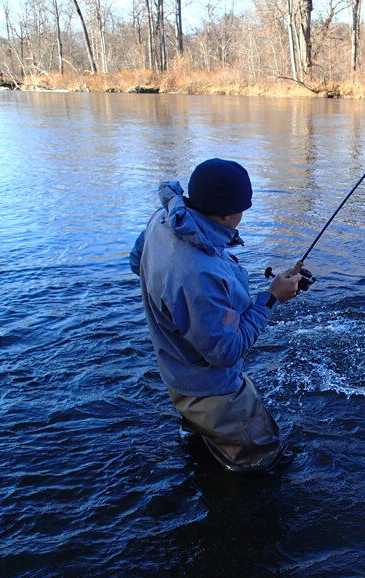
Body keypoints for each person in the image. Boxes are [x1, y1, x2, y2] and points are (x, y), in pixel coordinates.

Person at [129, 158, 302, 472]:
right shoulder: (199, 271)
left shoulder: (163, 221)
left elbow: (136, 262)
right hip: (212, 393)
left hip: (177, 374)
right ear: (226, 212)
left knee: (202, 457)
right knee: (263, 463)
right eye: (243, 209)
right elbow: (228, 351)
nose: (243, 216)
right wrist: (272, 298)